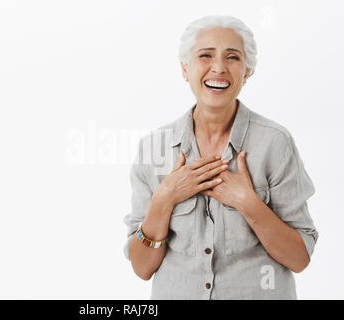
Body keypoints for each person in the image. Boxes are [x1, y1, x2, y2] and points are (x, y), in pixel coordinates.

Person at [122, 15, 318, 299]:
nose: (218, 68)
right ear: (184, 68)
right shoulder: (154, 148)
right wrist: (164, 199)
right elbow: (142, 268)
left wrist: (248, 204)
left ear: (247, 71)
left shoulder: (275, 144)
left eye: (232, 57)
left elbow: (299, 258)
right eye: (205, 55)